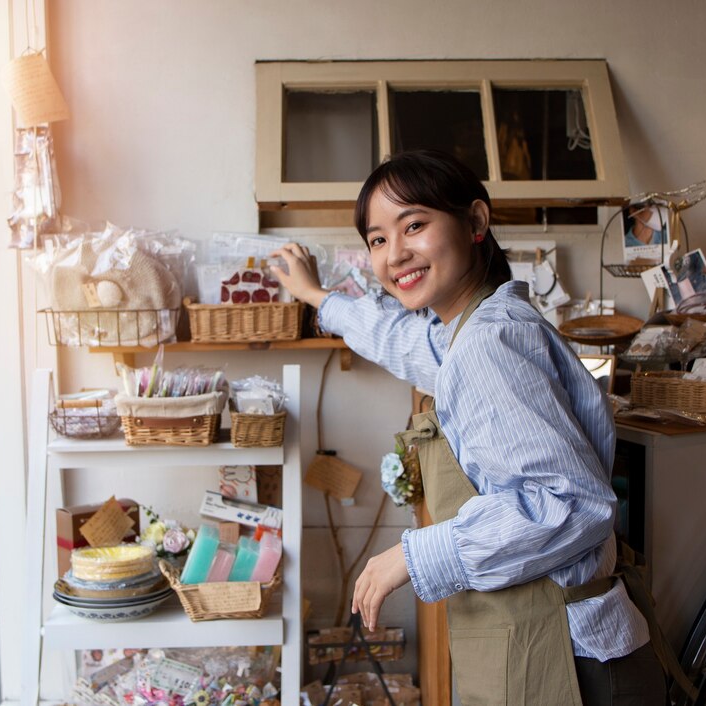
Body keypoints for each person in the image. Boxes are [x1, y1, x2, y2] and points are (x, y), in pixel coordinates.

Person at [270, 150, 670, 705]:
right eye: (378, 239)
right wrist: (318, 299)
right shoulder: (470, 329)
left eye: (414, 225)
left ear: (476, 222)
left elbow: (571, 501)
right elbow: (403, 341)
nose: (395, 254)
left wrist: (411, 555)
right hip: (559, 644)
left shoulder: (488, 342)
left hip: (572, 663)